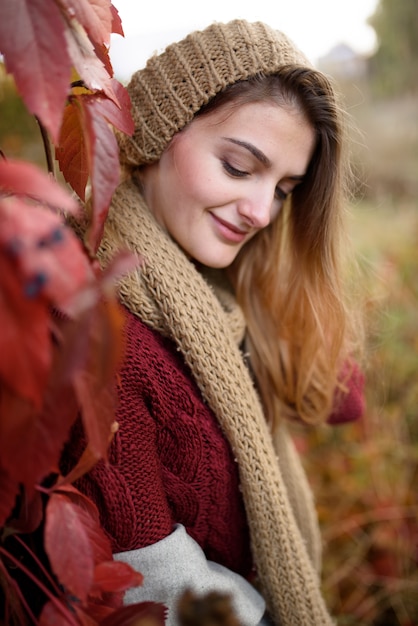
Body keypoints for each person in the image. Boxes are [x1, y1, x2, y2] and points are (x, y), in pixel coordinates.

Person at [62, 19, 365, 626]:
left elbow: (339, 397)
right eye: (237, 167)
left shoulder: (219, 297)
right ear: (154, 137)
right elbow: (163, 587)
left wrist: (283, 285)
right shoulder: (104, 333)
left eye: (284, 189)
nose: (261, 212)